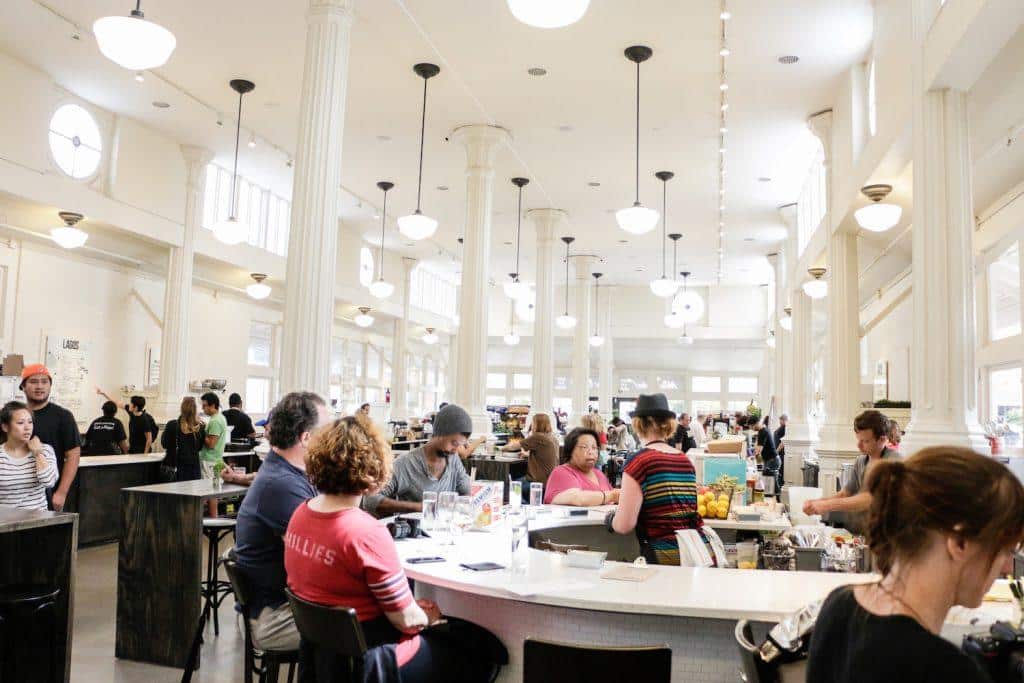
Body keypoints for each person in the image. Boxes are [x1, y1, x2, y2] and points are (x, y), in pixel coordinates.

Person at [284, 416, 506, 681]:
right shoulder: (366, 533)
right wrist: (426, 616)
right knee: (485, 650)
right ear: (374, 467)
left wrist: (410, 607)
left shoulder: (300, 514)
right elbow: (407, 622)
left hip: (324, 655)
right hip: (374, 658)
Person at [806, 446, 1024, 683]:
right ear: (960, 542)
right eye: (1004, 551)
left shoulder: (839, 605)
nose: (1007, 569)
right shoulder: (947, 671)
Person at [233, 391, 329, 651]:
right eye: (326, 431)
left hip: (280, 604)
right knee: (369, 627)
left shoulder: (286, 474)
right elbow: (318, 557)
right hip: (275, 618)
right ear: (307, 438)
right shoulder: (283, 485)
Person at [609, 394, 703, 565]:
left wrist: (610, 519)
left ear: (639, 424)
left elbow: (624, 525)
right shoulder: (684, 460)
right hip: (688, 554)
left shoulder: (639, 461)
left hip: (659, 556)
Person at [363, 404, 473, 517]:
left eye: (460, 445)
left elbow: (466, 494)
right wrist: (421, 507)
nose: (455, 451)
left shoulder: (453, 460)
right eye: (453, 443)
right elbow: (370, 500)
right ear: (439, 433)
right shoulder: (406, 464)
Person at [803, 410, 898, 531]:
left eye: (865, 441)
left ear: (882, 440)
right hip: (867, 530)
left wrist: (826, 505)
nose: (859, 445)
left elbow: (871, 499)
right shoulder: (861, 461)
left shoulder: (893, 461)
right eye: (858, 439)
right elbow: (845, 493)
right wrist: (816, 502)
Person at [21, 364, 80, 511]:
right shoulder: (14, 415)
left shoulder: (63, 416)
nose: (39, 386)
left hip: (49, 492)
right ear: (23, 386)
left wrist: (61, 492)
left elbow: (73, 455)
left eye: (44, 381)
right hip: (16, 493)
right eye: (33, 382)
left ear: (50, 385)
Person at [0, 401, 57, 510]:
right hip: (5, 522)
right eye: (20, 423)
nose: (27, 427)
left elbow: (49, 481)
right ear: (5, 427)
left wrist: (37, 453)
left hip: (38, 520)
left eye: (30, 422)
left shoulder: (45, 450)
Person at [543, 427, 619, 506]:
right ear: (571, 450)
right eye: (584, 447)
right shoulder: (561, 472)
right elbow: (577, 498)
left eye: (594, 447)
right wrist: (611, 496)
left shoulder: (599, 474)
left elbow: (613, 499)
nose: (590, 452)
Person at [98, 389, 158, 454]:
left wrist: (145, 455)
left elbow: (149, 439)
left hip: (142, 451)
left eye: (131, 403)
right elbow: (116, 403)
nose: (129, 404)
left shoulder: (144, 419)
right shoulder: (132, 412)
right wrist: (104, 394)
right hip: (133, 448)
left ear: (136, 407)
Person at [161, 397, 205, 482]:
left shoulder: (172, 425)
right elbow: (199, 448)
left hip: (174, 467)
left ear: (181, 408)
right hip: (193, 469)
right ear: (195, 410)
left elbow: (164, 444)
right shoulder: (200, 428)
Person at [513, 413, 559, 495]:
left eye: (533, 422)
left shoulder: (538, 437)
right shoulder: (552, 438)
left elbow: (514, 447)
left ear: (537, 424)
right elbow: (546, 456)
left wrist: (500, 448)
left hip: (539, 482)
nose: (531, 424)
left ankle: (524, 505)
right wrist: (527, 455)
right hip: (551, 481)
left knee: (513, 486)